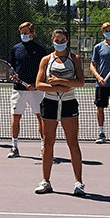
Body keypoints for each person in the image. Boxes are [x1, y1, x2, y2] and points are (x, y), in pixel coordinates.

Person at [34, 28, 86, 196]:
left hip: (69, 103)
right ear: (52, 40)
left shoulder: (75, 59)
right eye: (57, 40)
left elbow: (80, 83)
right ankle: (45, 181)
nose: (60, 43)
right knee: (48, 143)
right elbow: (39, 84)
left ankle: (78, 183)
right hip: (49, 103)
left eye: (63, 40)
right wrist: (57, 86)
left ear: (68, 40)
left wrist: (60, 81)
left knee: (73, 143)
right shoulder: (46, 60)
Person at [7, 21, 46, 158]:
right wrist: (13, 76)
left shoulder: (41, 50)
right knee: (16, 117)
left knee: (41, 117)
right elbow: (11, 69)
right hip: (19, 89)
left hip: (37, 90)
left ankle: (43, 147)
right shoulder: (15, 49)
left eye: (26, 32)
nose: (23, 35)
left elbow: (44, 70)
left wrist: (36, 84)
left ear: (32, 34)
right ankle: (14, 147)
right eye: (21, 32)